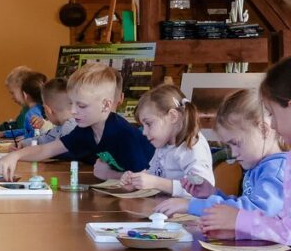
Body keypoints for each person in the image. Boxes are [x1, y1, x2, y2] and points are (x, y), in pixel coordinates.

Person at [0, 62, 154, 181]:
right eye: (72, 103)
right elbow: (47, 150)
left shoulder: (124, 135)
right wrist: (15, 156)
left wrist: (110, 174)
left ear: (106, 105)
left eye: (82, 105)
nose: (73, 111)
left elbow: (145, 180)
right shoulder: (86, 129)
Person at [197, 59, 291, 238]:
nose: (272, 124)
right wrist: (233, 226)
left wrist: (236, 219)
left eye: (272, 113)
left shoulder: (277, 168)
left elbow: (280, 226)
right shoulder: (267, 165)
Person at [158, 88, 285, 219]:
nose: (234, 153)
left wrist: (192, 205)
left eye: (236, 143)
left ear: (263, 130)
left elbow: (256, 212)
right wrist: (212, 193)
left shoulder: (276, 170)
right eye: (229, 146)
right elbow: (243, 207)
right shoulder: (260, 167)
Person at [117, 84, 214, 196]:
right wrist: (136, 180)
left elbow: (201, 189)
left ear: (173, 116)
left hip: (189, 212)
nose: (144, 132)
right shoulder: (163, 146)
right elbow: (154, 174)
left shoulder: (193, 147)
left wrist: (156, 183)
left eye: (148, 124)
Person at [0, 71, 46, 142]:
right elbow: (27, 131)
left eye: (12, 93)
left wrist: (23, 143)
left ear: (24, 94)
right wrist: (5, 133)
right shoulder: (38, 108)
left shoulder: (32, 113)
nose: (12, 97)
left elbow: (36, 138)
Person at [0, 65, 32, 135]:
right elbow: (17, 125)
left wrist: (2, 132)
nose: (12, 97)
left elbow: (19, 128)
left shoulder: (30, 109)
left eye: (12, 93)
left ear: (24, 90)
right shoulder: (26, 108)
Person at [31, 77, 76, 147]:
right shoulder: (61, 128)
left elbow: (57, 150)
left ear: (48, 110)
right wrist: (23, 143)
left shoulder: (69, 128)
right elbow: (45, 139)